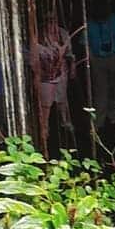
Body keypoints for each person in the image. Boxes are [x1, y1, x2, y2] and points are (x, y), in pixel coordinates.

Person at [30, 21, 76, 151]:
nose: (52, 26)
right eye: (49, 23)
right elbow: (35, 64)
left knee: (60, 100)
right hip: (45, 79)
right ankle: (44, 133)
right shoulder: (38, 44)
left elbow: (67, 55)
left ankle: (62, 123)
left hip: (57, 76)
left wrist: (63, 56)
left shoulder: (61, 35)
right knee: (45, 107)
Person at [85, 4, 115, 130]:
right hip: (98, 60)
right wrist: (92, 61)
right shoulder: (89, 24)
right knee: (101, 92)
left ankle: (113, 118)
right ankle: (98, 123)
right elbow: (86, 44)